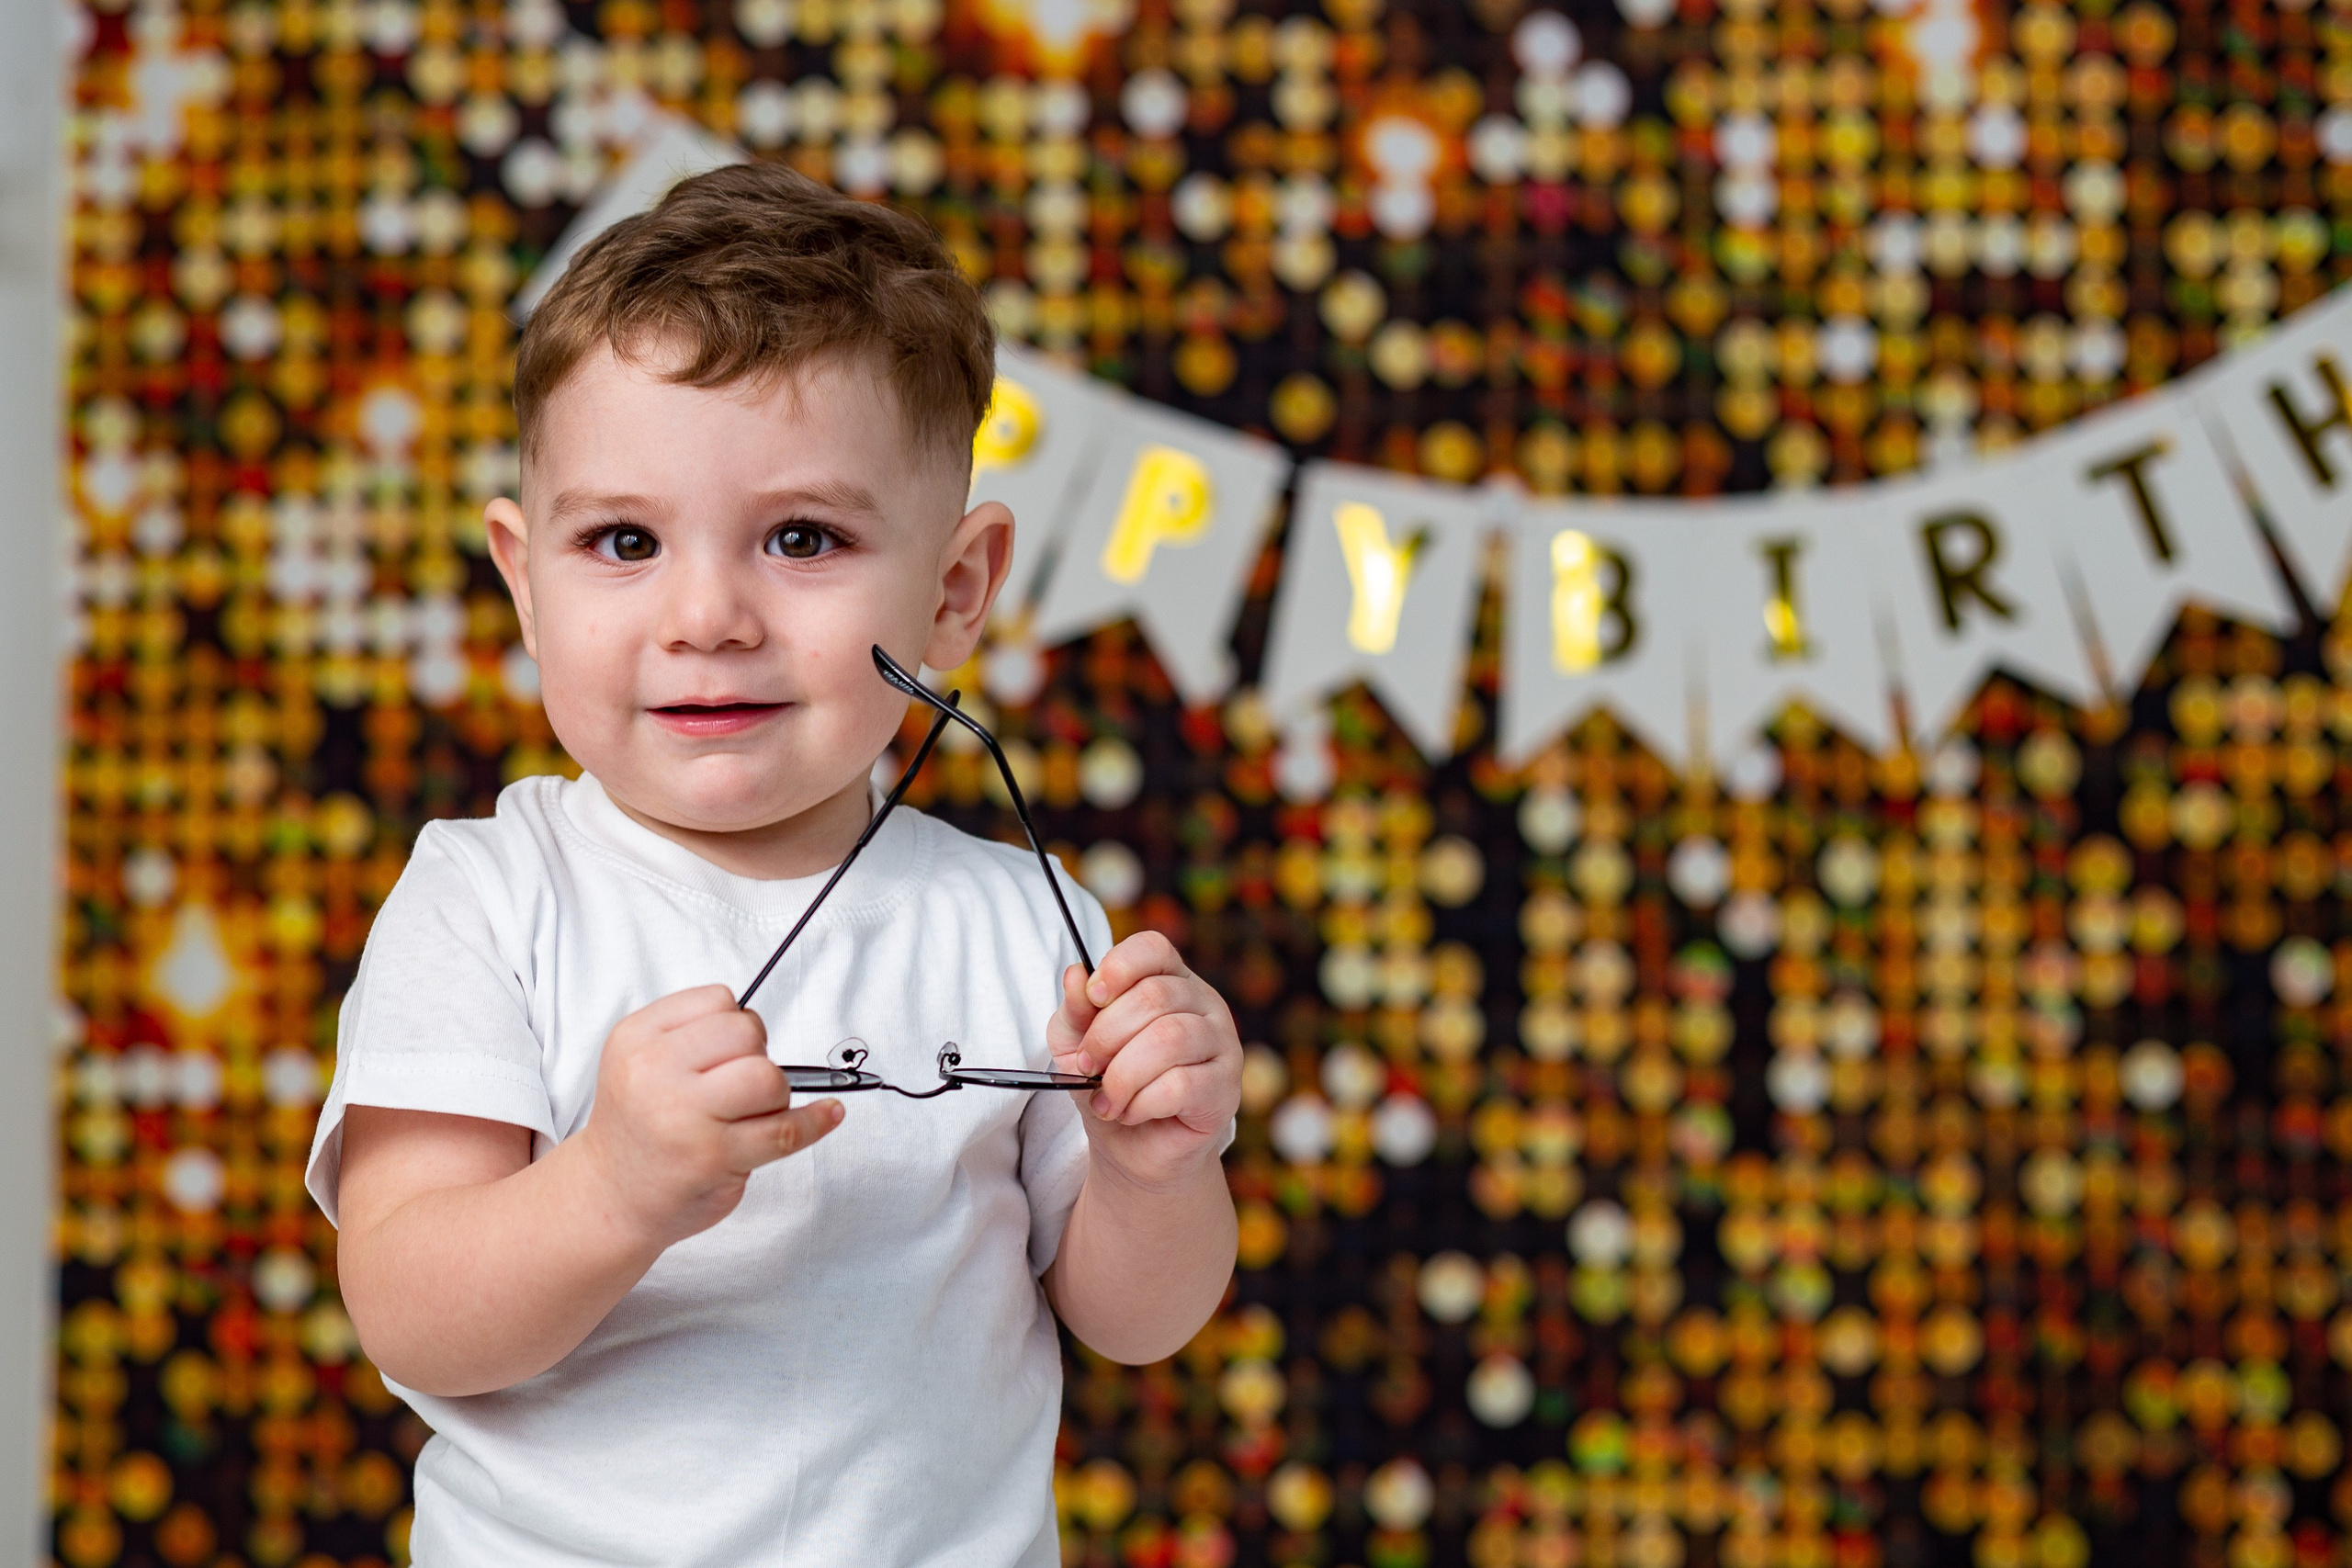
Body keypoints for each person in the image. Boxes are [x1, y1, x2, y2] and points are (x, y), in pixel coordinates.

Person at [306, 163, 1243, 1566]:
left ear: (954, 589)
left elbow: (1138, 1320)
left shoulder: (1021, 925)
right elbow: (411, 1310)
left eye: (802, 538)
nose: (706, 615)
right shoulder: (487, 899)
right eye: (623, 541)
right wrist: (612, 1186)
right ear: (523, 579)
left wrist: (1160, 1170)